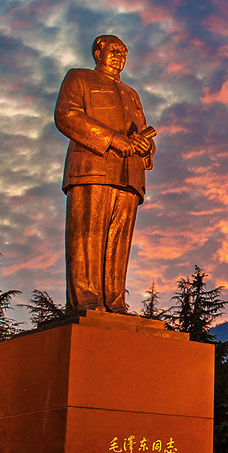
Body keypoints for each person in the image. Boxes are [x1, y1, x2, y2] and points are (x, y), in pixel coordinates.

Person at [54, 34, 156, 313]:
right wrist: (112, 139)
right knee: (87, 237)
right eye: (114, 50)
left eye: (124, 51)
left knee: (119, 243)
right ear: (97, 53)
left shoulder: (132, 94)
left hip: (129, 176)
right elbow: (66, 115)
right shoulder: (79, 78)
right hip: (92, 168)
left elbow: (142, 131)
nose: (120, 55)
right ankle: (86, 300)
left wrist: (146, 148)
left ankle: (114, 301)